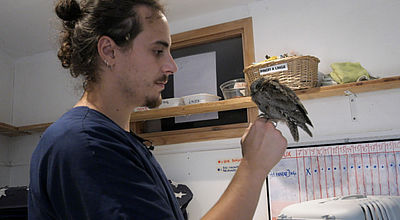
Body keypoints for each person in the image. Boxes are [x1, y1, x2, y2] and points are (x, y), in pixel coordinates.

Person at [28, 0, 288, 219]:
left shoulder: (113, 140)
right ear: (109, 51)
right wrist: (252, 169)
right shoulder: (86, 145)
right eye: (157, 51)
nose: (172, 66)